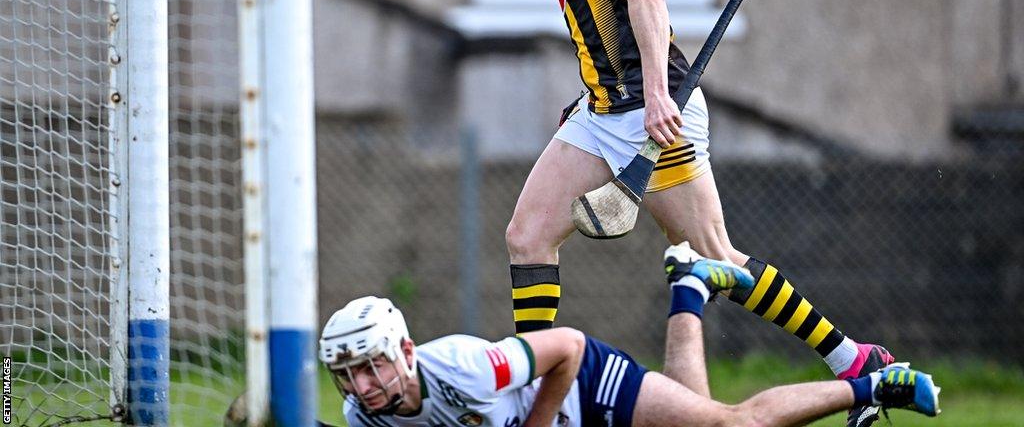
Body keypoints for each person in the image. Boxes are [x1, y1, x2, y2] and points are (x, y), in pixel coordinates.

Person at [471, 0, 892, 424]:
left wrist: (653, 95)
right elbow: (607, 22)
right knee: (527, 236)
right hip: (603, 113)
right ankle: (537, 393)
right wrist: (595, 90)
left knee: (717, 257)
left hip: (652, 112)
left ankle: (855, 360)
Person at [317, 245, 940, 427]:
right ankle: (691, 289)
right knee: (701, 409)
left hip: (589, 387)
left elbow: (569, 346)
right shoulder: (364, 415)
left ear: (403, 350)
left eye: (371, 367)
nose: (363, 386)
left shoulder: (466, 367)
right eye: (348, 376)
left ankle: (872, 385)